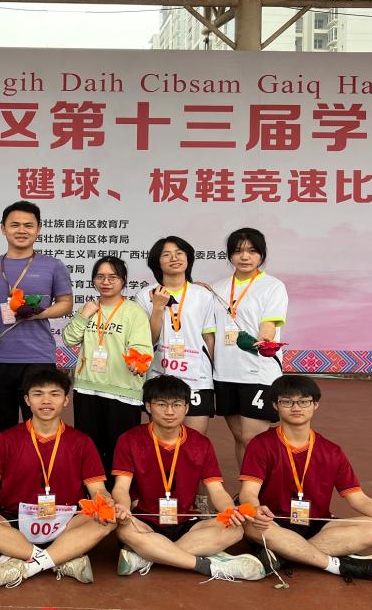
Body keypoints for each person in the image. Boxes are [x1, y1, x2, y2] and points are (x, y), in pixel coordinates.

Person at [0, 369, 116, 589]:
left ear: (66, 400)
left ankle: (25, 563)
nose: (46, 401)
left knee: (108, 520)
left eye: (54, 394)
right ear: (27, 400)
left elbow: (98, 490)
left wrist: (107, 502)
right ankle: (61, 558)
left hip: (67, 522)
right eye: (38, 394)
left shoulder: (81, 442)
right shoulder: (5, 440)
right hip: (14, 523)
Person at [239, 375, 372, 583]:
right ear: (275, 405)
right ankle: (336, 565)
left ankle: (283, 555)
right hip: (272, 523)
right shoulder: (260, 445)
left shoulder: (332, 451)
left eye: (304, 401)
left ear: (315, 405)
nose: (296, 407)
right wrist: (255, 508)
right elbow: (248, 492)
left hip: (315, 525)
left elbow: (358, 499)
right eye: (287, 402)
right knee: (249, 524)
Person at [112, 375, 266, 581]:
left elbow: (217, 491)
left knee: (235, 530)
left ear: (186, 408)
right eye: (161, 405)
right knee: (123, 529)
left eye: (177, 405)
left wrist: (230, 511)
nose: (169, 412)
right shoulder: (129, 439)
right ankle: (205, 565)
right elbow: (121, 488)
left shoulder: (200, 443)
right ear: (148, 406)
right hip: (146, 520)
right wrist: (122, 507)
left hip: (187, 522)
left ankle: (148, 556)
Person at [0, 201, 74, 440]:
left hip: (38, 357)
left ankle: (38, 467)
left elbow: (66, 304)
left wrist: (38, 314)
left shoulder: (53, 265)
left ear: (38, 229)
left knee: (40, 430)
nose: (22, 230)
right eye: (15, 225)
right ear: (3, 228)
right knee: (0, 430)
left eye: (28, 225)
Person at [63, 256, 152, 475]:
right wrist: (84, 316)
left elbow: (142, 348)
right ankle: (93, 493)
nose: (106, 282)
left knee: (120, 452)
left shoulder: (133, 311)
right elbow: (69, 339)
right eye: (100, 277)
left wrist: (137, 362)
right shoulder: (89, 308)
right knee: (89, 450)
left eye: (113, 277)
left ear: (123, 280)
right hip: (87, 388)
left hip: (122, 390)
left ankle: (119, 493)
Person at [208, 227, 288, 466]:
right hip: (225, 373)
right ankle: (248, 486)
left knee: (253, 438)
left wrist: (263, 340)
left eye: (252, 251)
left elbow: (269, 324)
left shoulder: (273, 286)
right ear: (230, 255)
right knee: (240, 437)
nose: (245, 257)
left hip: (258, 372)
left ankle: (262, 486)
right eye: (238, 251)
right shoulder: (217, 288)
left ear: (261, 254)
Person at [134, 236, 217, 435]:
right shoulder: (144, 296)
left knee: (195, 440)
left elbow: (208, 338)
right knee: (163, 440)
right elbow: (147, 340)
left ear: (188, 259)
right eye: (166, 254)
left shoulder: (203, 295)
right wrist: (157, 307)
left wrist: (210, 371)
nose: (174, 258)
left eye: (179, 253)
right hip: (159, 376)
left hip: (197, 378)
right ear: (157, 262)